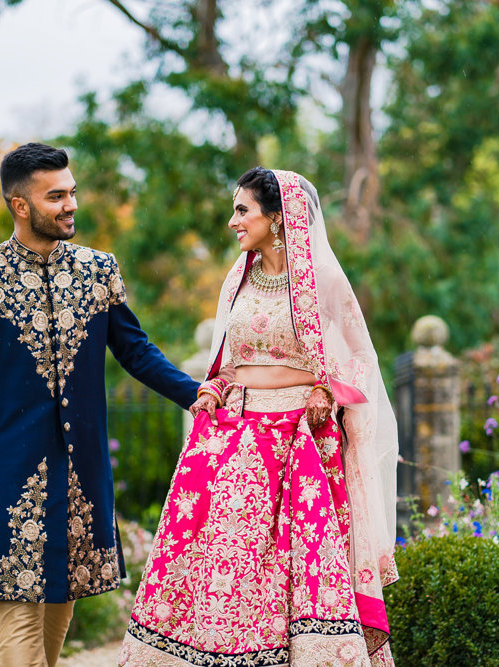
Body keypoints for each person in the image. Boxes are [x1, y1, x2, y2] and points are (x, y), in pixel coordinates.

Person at [0, 142, 203, 667]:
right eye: (56, 196)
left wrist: (197, 394)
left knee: (55, 623)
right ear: (21, 205)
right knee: (19, 627)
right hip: (9, 474)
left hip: (81, 473)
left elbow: (135, 351)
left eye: (72, 192)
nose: (71, 204)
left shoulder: (98, 271)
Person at [119, 168, 399, 666]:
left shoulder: (322, 279)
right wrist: (214, 388)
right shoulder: (238, 276)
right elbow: (227, 361)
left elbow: (362, 358)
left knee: (292, 575)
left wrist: (326, 390)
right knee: (222, 574)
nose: (233, 222)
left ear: (277, 216)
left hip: (296, 445)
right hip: (231, 442)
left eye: (242, 210)